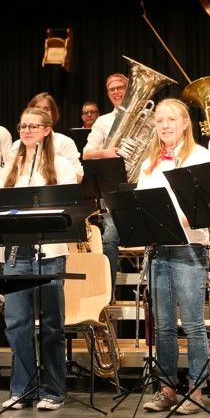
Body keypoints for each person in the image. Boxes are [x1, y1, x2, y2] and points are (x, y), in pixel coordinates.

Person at [135, 99, 210, 414]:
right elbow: (142, 201)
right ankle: (167, 387)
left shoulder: (200, 156)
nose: (164, 125)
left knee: (193, 323)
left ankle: (196, 389)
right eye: (159, 121)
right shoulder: (149, 161)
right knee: (164, 324)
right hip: (158, 248)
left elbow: (207, 204)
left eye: (171, 119)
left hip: (189, 246)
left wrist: (182, 217)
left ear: (185, 123)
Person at [0, 107, 78, 411]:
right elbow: (0, 201)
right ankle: (23, 387)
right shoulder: (12, 164)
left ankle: (53, 389)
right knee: (17, 322)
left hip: (49, 251)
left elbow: (67, 208)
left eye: (33, 126)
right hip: (17, 250)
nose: (27, 131)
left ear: (47, 130)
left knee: (50, 323)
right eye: (23, 126)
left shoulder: (61, 164)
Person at [81, 73, 130, 288]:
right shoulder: (103, 121)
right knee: (108, 238)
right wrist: (107, 153)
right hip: (115, 192)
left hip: (144, 187)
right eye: (112, 89)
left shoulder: (149, 117)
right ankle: (106, 296)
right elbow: (86, 154)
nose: (117, 92)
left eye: (121, 87)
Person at [2, 92, 84, 181]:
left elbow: (78, 176)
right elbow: (5, 179)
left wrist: (56, 172)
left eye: (46, 109)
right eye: (37, 108)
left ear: (53, 113)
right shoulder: (17, 145)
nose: (41, 112)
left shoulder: (64, 142)